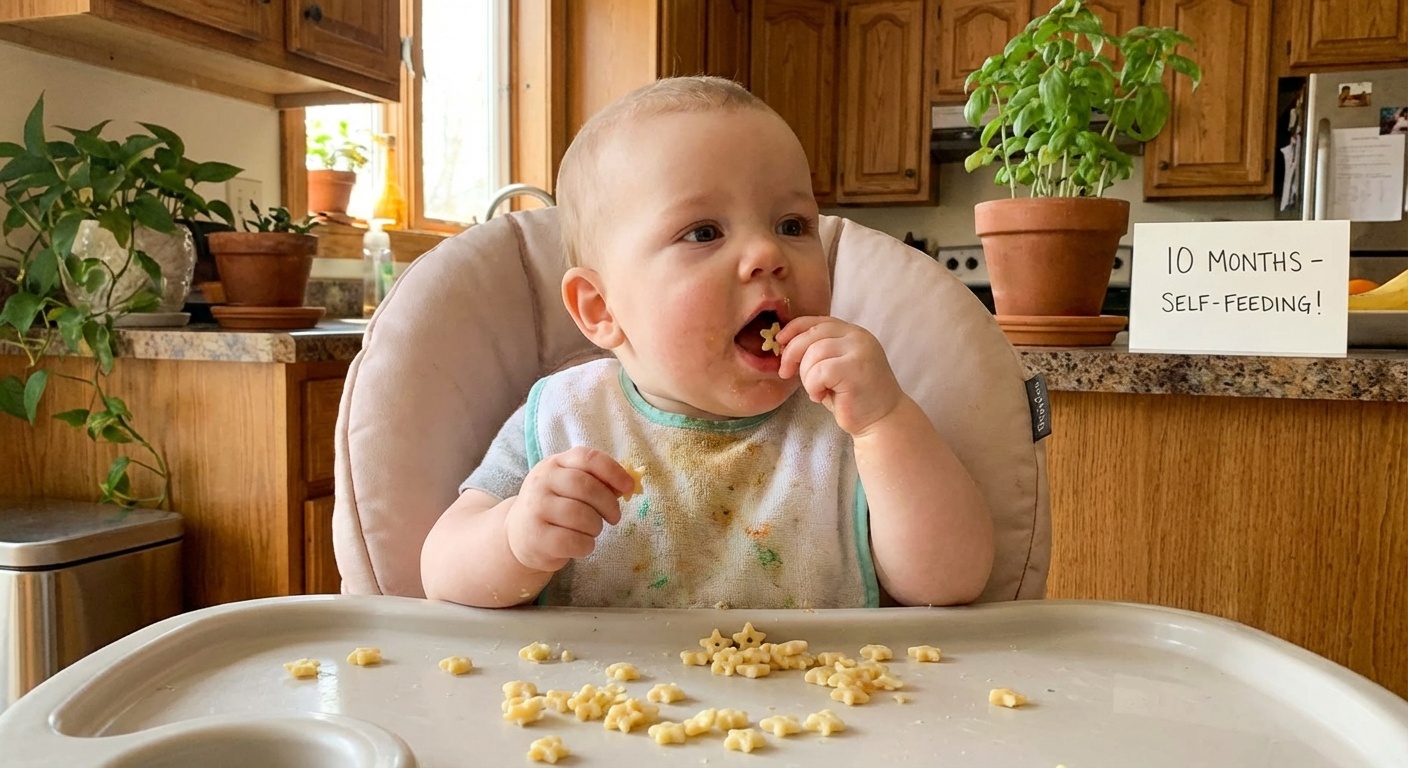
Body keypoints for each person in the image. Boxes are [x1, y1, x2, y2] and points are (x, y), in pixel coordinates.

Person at [420, 77, 993, 610]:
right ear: (601, 310)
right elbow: (439, 570)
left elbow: (950, 580)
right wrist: (517, 538)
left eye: (792, 225)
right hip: (604, 712)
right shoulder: (565, 420)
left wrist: (884, 422)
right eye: (703, 233)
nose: (769, 254)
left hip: (821, 711)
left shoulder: (848, 422)